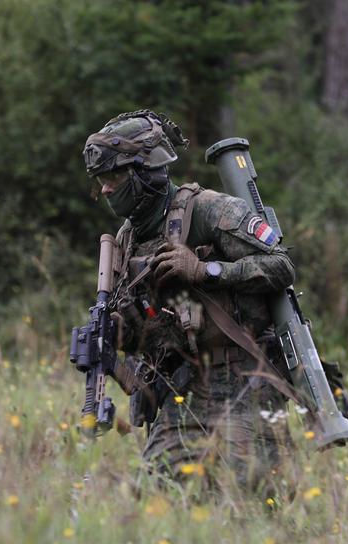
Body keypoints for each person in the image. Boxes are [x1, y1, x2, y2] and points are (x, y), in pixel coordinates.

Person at [81, 109, 295, 493]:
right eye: (101, 181)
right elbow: (147, 325)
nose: (107, 189)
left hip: (248, 379)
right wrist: (117, 336)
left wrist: (205, 272)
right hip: (186, 387)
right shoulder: (126, 240)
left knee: (258, 501)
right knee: (158, 496)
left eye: (113, 177)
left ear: (145, 172)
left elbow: (281, 266)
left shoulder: (211, 210)